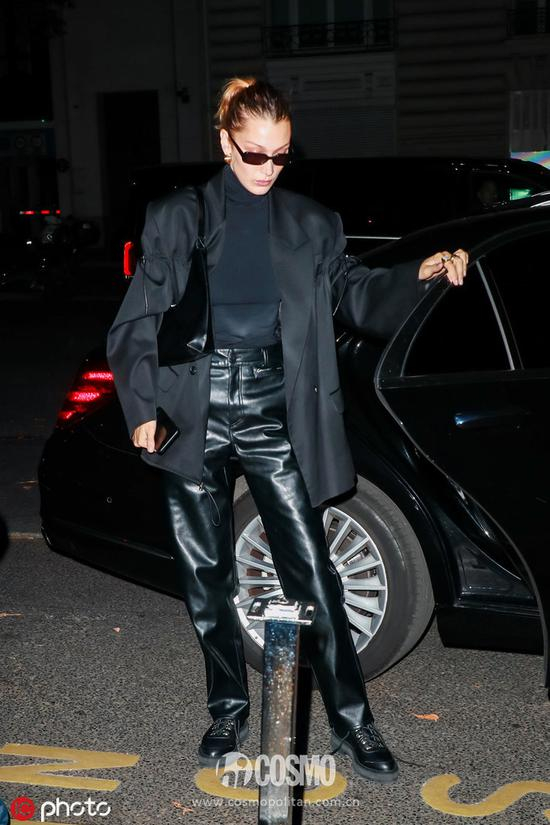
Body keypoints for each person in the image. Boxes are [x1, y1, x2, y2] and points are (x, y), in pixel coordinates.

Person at [106, 76, 468, 783]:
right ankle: (227, 708)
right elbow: (139, 314)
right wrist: (142, 406)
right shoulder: (178, 215)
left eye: (280, 156)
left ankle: (353, 723)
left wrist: (418, 274)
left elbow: (354, 294)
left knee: (312, 570)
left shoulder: (312, 222)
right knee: (205, 575)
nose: (267, 169)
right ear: (224, 143)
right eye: (254, 154)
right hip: (193, 405)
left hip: (274, 405)